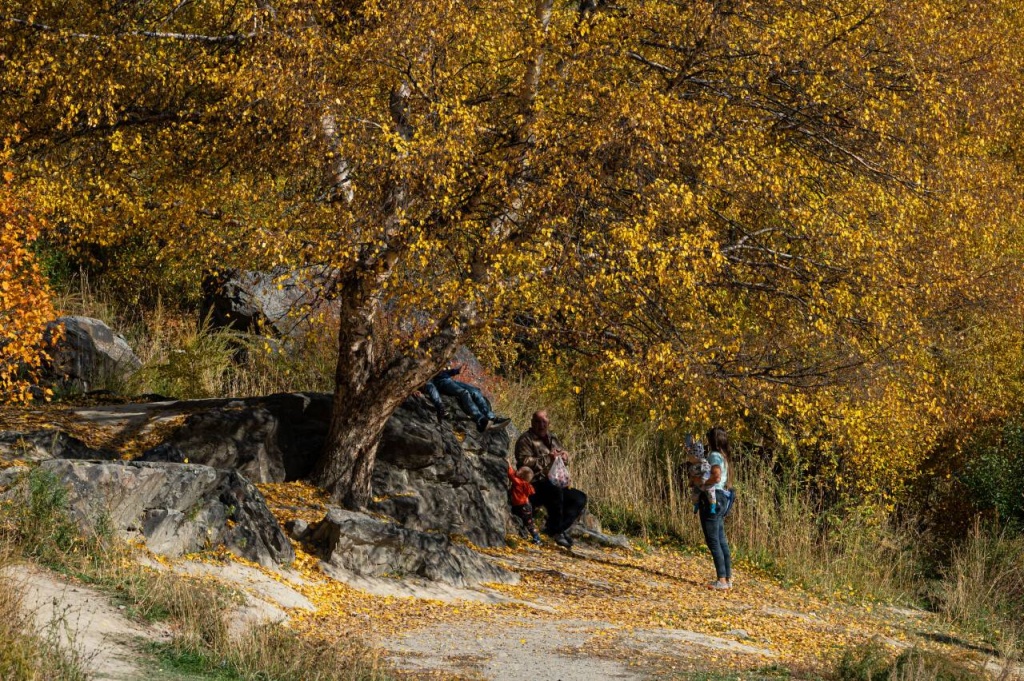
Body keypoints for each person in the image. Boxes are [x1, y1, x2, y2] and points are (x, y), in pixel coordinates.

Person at [515, 410, 588, 548]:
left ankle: (556, 529)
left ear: (548, 423)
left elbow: (562, 455)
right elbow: (524, 462)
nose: (541, 425)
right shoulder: (525, 439)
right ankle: (557, 533)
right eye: (537, 421)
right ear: (532, 423)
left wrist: (565, 456)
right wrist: (547, 458)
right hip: (534, 485)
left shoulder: (552, 438)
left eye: (544, 422)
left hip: (554, 481)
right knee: (555, 490)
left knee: (579, 498)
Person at [692, 426, 734, 590]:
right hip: (723, 497)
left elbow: (715, 476)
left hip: (712, 498)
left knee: (713, 540)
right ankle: (727, 577)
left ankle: (721, 580)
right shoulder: (724, 456)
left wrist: (701, 483)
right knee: (721, 538)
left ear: (712, 440)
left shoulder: (714, 455)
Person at [420, 365, 511, 432]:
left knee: (476, 392)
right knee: (464, 393)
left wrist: (456, 371)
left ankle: (492, 418)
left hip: (448, 379)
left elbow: (444, 373)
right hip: (441, 383)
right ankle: (481, 420)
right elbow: (430, 383)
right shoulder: (421, 363)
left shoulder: (437, 355)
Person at [508, 465, 542, 544]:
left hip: (523, 506)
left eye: (519, 470)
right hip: (525, 505)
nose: (517, 470)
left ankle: (537, 539)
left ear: (522, 475)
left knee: (529, 523)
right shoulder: (525, 483)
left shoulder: (519, 482)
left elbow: (511, 475)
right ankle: (525, 535)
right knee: (525, 522)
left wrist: (509, 465)